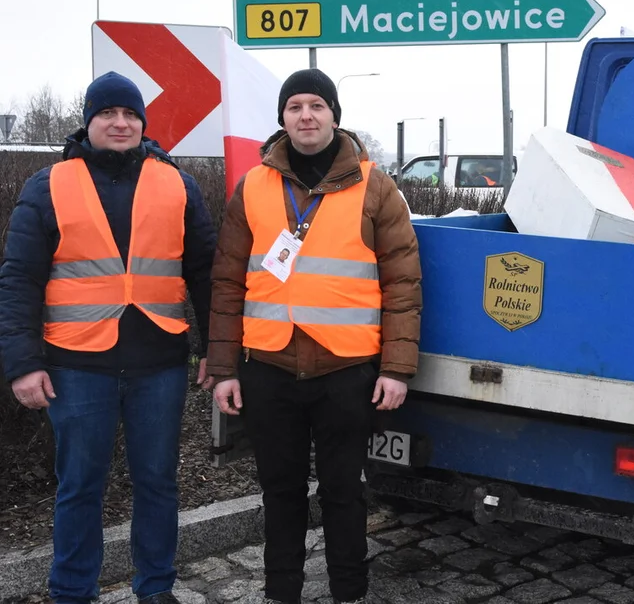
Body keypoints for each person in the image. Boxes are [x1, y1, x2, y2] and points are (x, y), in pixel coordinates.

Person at [0, 72, 216, 604]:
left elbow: (208, 274)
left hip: (159, 363)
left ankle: (156, 589)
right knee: (79, 488)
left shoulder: (176, 183)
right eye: (107, 114)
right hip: (76, 365)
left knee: (158, 484)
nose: (120, 124)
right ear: (88, 121)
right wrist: (23, 363)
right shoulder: (48, 184)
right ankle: (71, 592)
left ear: (142, 123)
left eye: (130, 115)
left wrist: (217, 350)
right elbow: (19, 280)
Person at [207, 68, 422, 604]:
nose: (306, 115)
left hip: (345, 371)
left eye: (317, 105)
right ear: (282, 118)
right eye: (296, 105)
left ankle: (349, 593)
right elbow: (229, 281)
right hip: (270, 368)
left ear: (334, 116)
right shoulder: (252, 186)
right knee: (280, 494)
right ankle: (282, 593)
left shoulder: (376, 185)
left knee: (344, 493)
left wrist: (396, 369)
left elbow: (403, 281)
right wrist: (225, 369)